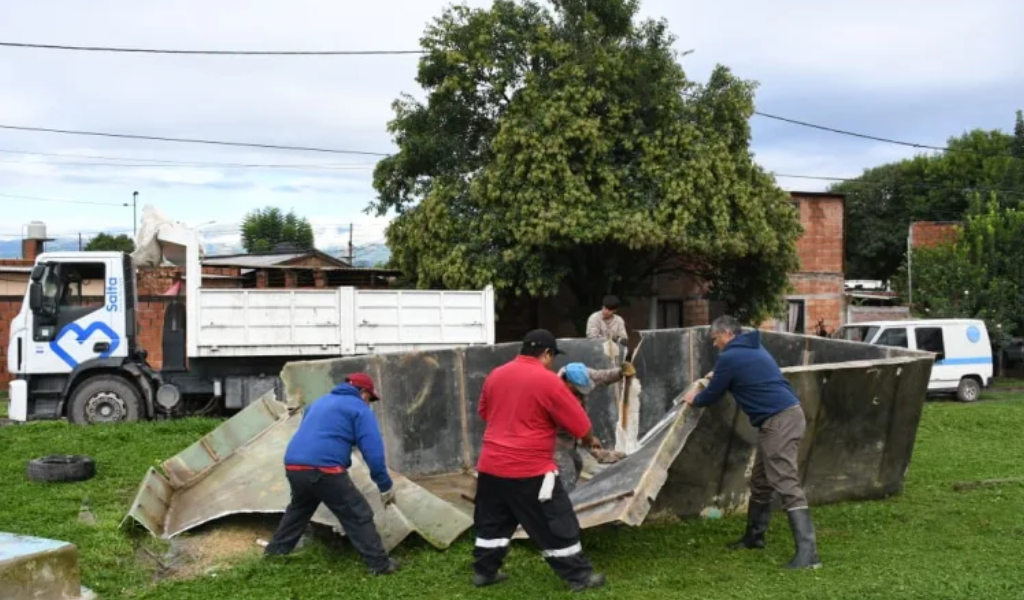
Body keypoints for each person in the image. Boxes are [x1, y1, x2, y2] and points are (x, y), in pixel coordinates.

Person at [681, 315, 821, 570]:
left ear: (726, 334)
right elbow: (734, 374)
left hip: (780, 421)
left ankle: (809, 554)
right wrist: (718, 374)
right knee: (761, 480)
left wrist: (694, 399)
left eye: (715, 339)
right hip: (782, 418)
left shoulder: (731, 357)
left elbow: (713, 393)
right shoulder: (752, 348)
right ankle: (754, 538)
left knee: (785, 481)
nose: (715, 345)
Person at [472, 329, 607, 592]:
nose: (552, 363)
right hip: (530, 470)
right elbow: (579, 424)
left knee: (493, 521)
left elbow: (485, 412)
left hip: (490, 467)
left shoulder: (496, 374)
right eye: (552, 357)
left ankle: (483, 573)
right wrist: (592, 440)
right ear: (546, 354)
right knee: (557, 520)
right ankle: (579, 577)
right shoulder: (548, 381)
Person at [264, 372, 400, 575]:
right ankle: (380, 565)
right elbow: (373, 452)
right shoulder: (359, 409)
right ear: (362, 392)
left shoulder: (317, 403)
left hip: (294, 464)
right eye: (369, 398)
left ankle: (274, 555)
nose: (369, 403)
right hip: (324, 468)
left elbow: (312, 434)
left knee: (299, 510)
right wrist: (385, 485)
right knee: (358, 513)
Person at [553, 362, 633, 489]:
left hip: (571, 436)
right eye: (579, 388)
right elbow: (575, 427)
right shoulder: (557, 395)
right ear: (568, 383)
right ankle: (566, 503)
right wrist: (590, 440)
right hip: (555, 441)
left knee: (577, 463)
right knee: (567, 474)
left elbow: (600, 376)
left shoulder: (578, 372)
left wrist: (620, 372)